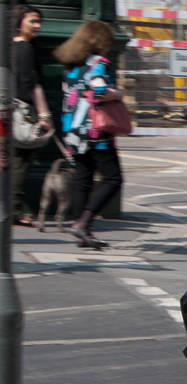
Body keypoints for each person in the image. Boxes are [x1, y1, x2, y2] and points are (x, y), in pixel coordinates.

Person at [56, 19, 123, 250]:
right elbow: (99, 92)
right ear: (99, 41)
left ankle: (80, 231)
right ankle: (84, 224)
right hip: (95, 133)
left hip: (72, 131)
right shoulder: (99, 63)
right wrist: (118, 93)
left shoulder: (72, 65)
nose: (108, 47)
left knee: (83, 180)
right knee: (113, 179)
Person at [11, 5, 54, 227]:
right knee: (21, 160)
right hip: (22, 111)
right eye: (32, 21)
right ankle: (15, 209)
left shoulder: (9, 47)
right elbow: (33, 85)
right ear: (19, 22)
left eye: (39, 22)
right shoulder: (26, 49)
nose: (37, 25)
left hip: (8, 108)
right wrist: (45, 115)